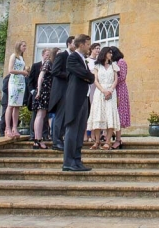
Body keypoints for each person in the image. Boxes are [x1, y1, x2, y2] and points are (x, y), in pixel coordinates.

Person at [62, 34, 95, 172]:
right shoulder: (72, 58)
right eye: (88, 44)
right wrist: (88, 76)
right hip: (75, 99)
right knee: (72, 130)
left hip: (83, 98)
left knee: (80, 130)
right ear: (81, 45)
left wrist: (88, 76)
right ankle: (68, 161)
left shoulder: (83, 59)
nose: (89, 47)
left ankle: (77, 159)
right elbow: (86, 74)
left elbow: (91, 78)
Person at [86, 47, 121, 150]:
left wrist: (110, 90)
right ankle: (97, 141)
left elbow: (116, 80)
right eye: (109, 52)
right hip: (100, 92)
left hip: (111, 92)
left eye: (111, 52)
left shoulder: (114, 65)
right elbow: (95, 80)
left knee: (110, 115)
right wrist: (103, 90)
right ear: (104, 54)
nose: (111, 54)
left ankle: (108, 141)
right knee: (98, 115)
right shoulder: (97, 66)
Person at [49, 36, 75, 151]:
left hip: (69, 91)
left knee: (65, 117)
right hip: (61, 91)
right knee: (60, 117)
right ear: (69, 43)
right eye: (75, 42)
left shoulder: (73, 57)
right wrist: (69, 75)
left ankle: (61, 138)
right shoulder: (62, 55)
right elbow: (55, 71)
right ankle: (56, 141)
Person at [31, 48, 56, 149]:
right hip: (44, 91)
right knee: (40, 115)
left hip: (45, 91)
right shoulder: (48, 63)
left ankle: (37, 139)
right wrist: (39, 90)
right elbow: (40, 76)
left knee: (41, 115)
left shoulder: (49, 63)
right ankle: (38, 139)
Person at [4, 41, 29, 138]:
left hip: (21, 82)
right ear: (19, 46)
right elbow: (10, 70)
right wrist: (22, 72)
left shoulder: (21, 58)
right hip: (14, 81)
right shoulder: (13, 56)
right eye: (23, 45)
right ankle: (7, 127)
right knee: (11, 104)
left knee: (17, 105)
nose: (25, 47)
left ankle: (15, 127)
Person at [111, 46, 131, 149]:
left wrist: (111, 82)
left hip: (120, 89)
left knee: (119, 112)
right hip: (114, 89)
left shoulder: (121, 62)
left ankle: (118, 139)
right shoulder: (114, 63)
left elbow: (122, 77)